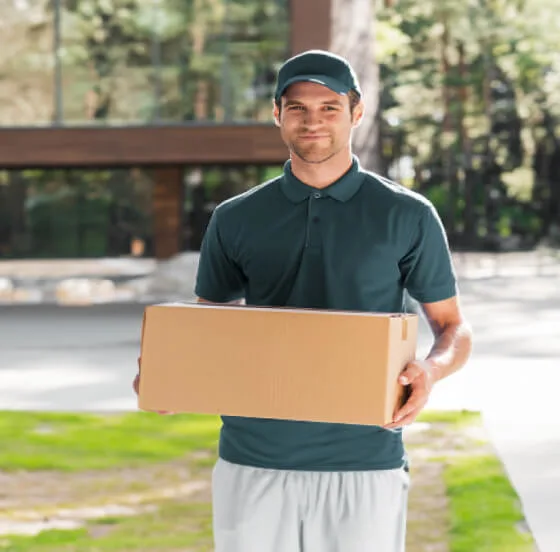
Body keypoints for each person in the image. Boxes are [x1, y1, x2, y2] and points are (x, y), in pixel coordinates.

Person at [134, 49, 473, 551]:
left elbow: (454, 328)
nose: (313, 120)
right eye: (297, 108)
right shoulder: (235, 217)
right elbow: (208, 325)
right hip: (253, 459)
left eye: (329, 107)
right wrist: (171, 373)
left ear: (357, 113)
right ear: (277, 114)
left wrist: (430, 370)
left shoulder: (407, 215)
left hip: (365, 459)